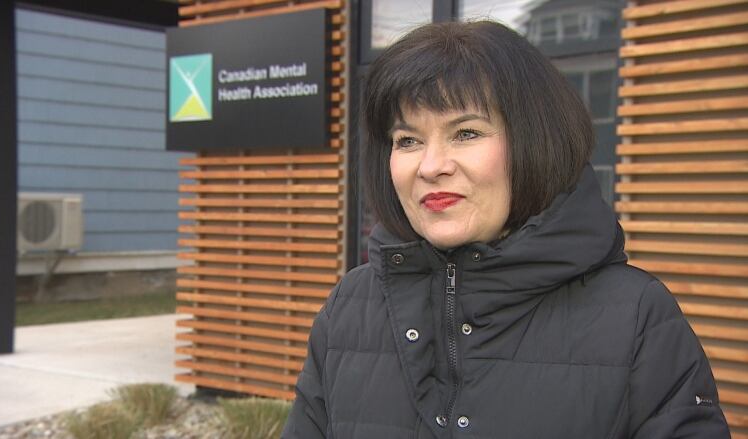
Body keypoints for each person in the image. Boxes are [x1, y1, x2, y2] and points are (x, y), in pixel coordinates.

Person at [282, 20, 729, 438]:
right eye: (408, 141)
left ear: (534, 142)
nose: (432, 166)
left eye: (466, 133)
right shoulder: (350, 307)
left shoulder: (637, 317)